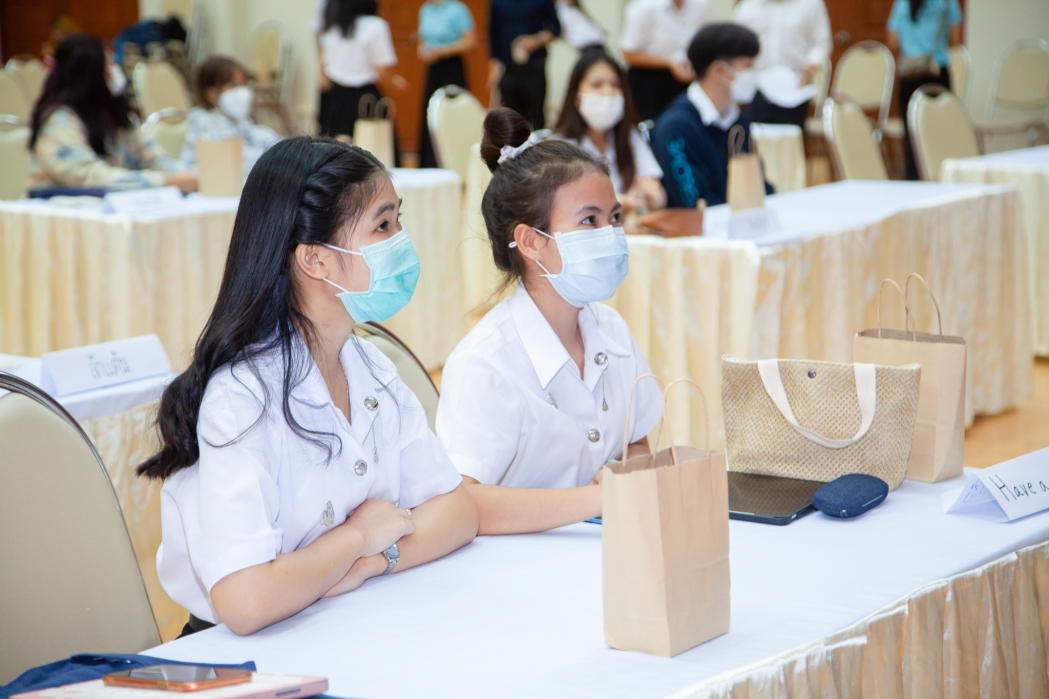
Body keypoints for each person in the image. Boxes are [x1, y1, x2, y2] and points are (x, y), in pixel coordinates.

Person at [139, 137, 478, 636]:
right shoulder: (241, 396)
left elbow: (457, 511)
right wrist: (355, 538)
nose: (401, 241)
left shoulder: (370, 364)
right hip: (247, 656)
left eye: (398, 221)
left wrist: (371, 561)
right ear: (315, 260)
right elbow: (246, 601)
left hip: (343, 620)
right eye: (383, 226)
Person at [436, 108, 663, 536]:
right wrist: (596, 500)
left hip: (608, 550)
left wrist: (626, 477)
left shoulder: (611, 328)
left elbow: (637, 443)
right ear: (531, 241)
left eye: (615, 218)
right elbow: (463, 502)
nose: (611, 234)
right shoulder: (483, 363)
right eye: (589, 220)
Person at [28, 34, 197, 192]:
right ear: (90, 78)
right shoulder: (58, 122)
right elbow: (89, 177)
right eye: (108, 69)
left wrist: (190, 177)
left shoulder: (116, 115)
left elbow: (154, 158)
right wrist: (164, 181)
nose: (115, 75)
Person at [650, 23, 771, 208]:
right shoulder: (675, 127)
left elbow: (758, 185)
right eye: (748, 66)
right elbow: (693, 202)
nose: (752, 75)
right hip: (699, 225)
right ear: (719, 70)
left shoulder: (738, 120)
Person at [555, 47, 666, 214]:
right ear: (577, 97)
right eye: (596, 85)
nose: (608, 93)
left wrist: (654, 195)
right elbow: (560, 207)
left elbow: (656, 190)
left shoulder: (630, 136)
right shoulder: (559, 147)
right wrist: (614, 204)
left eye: (616, 85)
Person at [887, 0, 963, 180]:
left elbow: (892, 40)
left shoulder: (902, 3)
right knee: (940, 133)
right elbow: (956, 40)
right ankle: (940, 180)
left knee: (911, 137)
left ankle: (912, 180)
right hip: (937, 73)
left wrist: (912, 44)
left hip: (910, 75)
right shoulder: (947, 3)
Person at [312, 0, 408, 140]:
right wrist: (395, 84)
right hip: (364, 97)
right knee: (372, 146)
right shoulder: (375, 26)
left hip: (334, 97)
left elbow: (323, 62)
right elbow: (381, 71)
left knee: (332, 148)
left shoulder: (331, 25)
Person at [733, 0, 832, 129]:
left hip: (796, 88)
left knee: (792, 136)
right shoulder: (748, 7)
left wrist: (808, 70)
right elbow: (735, 45)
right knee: (756, 135)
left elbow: (822, 43)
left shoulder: (811, 4)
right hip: (757, 89)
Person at [179, 56, 282, 175]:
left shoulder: (239, 121)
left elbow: (264, 138)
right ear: (211, 94)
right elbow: (237, 161)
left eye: (244, 84)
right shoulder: (205, 122)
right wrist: (276, 156)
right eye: (233, 86)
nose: (242, 92)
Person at [619, 0, 713, 122]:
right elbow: (628, 53)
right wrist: (670, 63)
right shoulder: (644, 7)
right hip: (651, 80)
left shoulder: (701, 5)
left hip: (689, 77)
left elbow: (709, 41)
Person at [417, 0, 477, 168]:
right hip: (433, 67)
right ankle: (429, 163)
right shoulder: (425, 9)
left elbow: (470, 40)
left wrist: (443, 50)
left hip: (452, 66)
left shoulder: (457, 9)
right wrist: (423, 50)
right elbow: (423, 39)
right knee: (430, 111)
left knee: (454, 111)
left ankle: (456, 161)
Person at [489, 0, 562, 130]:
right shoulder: (497, 2)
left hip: (535, 67)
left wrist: (535, 41)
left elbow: (556, 29)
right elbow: (493, 34)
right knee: (511, 119)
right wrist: (493, 70)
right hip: (509, 68)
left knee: (537, 117)